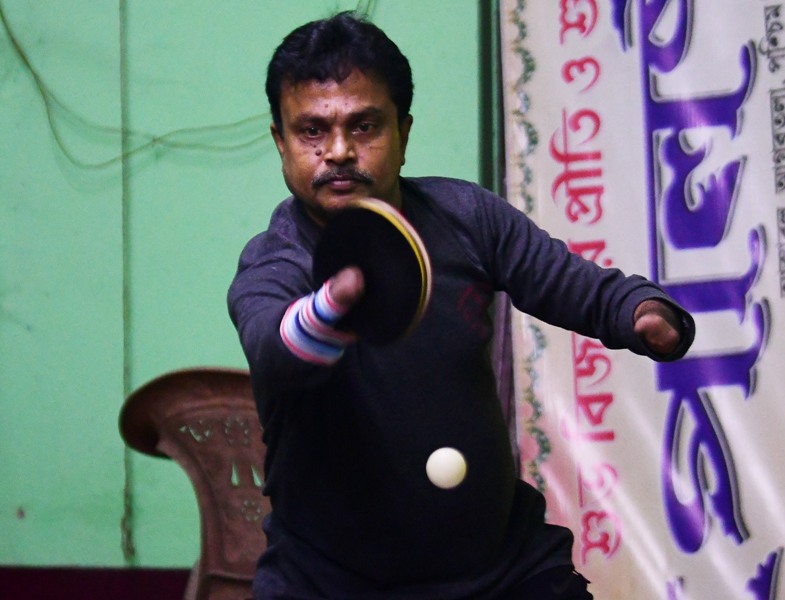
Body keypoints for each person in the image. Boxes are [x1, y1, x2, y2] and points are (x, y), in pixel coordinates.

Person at [228, 11, 695, 600]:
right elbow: (275, 347)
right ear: (281, 141)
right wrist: (331, 309)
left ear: (404, 130)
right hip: (327, 582)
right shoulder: (274, 261)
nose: (339, 151)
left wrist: (642, 311)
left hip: (503, 571)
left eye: (364, 125)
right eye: (312, 130)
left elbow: (578, 286)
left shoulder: (467, 218)